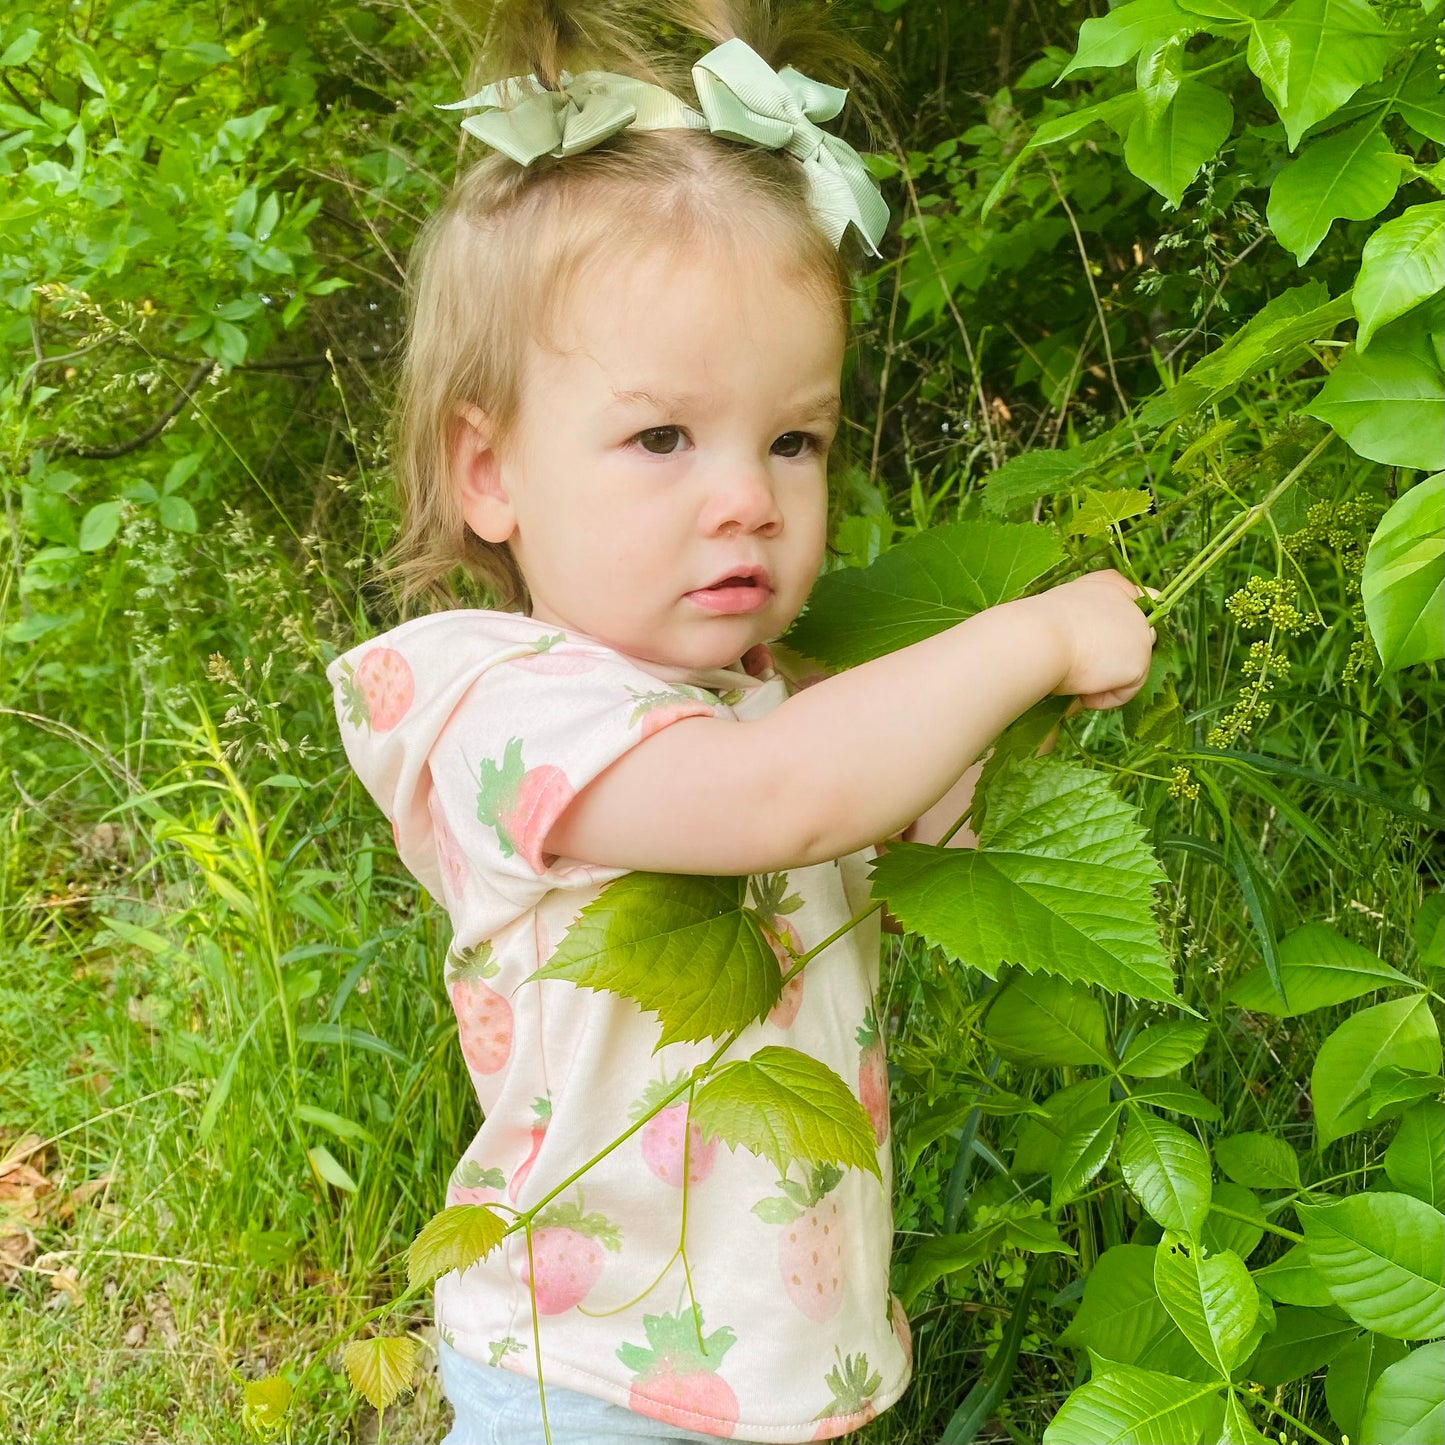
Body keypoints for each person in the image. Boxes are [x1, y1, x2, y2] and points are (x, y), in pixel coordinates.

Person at [328, 3, 1156, 1440]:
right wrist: (1023, 633)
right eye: (662, 437)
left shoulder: (764, 692)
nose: (747, 497)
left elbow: (913, 821)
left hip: (775, 1366)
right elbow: (774, 801)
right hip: (582, 1380)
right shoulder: (497, 706)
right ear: (490, 470)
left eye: (793, 437)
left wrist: (988, 751)